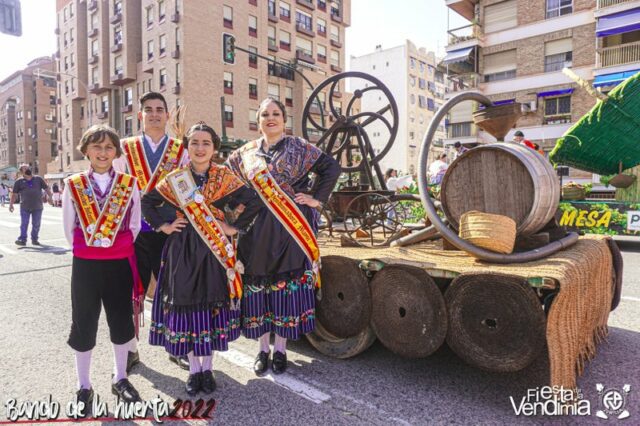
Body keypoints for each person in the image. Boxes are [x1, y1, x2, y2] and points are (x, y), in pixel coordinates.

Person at [143, 122, 258, 395]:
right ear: (187, 147)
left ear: (214, 148)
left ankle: (208, 368)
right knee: (189, 307)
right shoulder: (175, 179)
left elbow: (253, 201)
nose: (200, 147)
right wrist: (164, 226)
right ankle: (194, 371)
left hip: (214, 251)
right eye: (194, 142)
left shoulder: (225, 176)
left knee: (210, 306)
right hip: (182, 250)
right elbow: (147, 202)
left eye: (206, 143)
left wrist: (234, 227)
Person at [228, 98, 341, 375]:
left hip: (291, 229)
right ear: (258, 120)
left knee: (285, 289)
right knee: (258, 290)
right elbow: (227, 183)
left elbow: (331, 167)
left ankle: (280, 350)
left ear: (284, 119)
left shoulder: (299, 147)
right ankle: (262, 349)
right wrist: (234, 209)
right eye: (265, 114)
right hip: (255, 233)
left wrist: (316, 198)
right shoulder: (243, 154)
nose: (271, 118)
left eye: (276, 113)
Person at [62, 125, 144, 410]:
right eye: (97, 146)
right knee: (84, 322)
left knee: (121, 321)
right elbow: (68, 226)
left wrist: (114, 245)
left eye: (109, 147)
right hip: (85, 265)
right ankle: (83, 385)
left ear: (116, 152)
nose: (103, 152)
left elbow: (134, 225)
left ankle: (120, 377)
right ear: (86, 150)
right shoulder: (73, 184)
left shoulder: (128, 183)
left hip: (118, 263)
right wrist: (93, 246)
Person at [113, 91, 189, 370]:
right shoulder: (124, 148)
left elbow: (185, 191)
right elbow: (116, 190)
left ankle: (175, 343)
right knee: (131, 290)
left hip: (170, 230)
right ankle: (130, 349)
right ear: (140, 115)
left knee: (173, 289)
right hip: (134, 232)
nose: (154, 114)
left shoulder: (181, 150)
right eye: (149, 109)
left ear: (167, 116)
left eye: (160, 109)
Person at [9, 164, 53, 245]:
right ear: (22, 171)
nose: (27, 169)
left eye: (28, 168)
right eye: (24, 168)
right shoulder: (18, 181)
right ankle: (22, 240)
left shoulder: (38, 179)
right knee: (24, 224)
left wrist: (50, 197)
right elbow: (14, 194)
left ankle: (34, 239)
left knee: (36, 224)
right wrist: (11, 204)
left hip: (38, 206)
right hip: (24, 207)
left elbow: (46, 189)